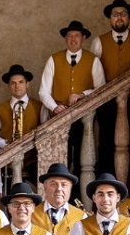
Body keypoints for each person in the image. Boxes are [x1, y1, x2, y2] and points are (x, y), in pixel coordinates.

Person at [38, 21, 106, 172]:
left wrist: (83, 94)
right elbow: (43, 91)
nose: (73, 39)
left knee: (82, 156)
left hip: (83, 116)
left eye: (77, 36)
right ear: (65, 39)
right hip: (59, 118)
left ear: (83, 39)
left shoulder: (93, 60)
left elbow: (101, 88)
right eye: (69, 36)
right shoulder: (53, 60)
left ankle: (78, 192)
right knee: (61, 157)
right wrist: (55, 107)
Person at [91, 0, 130, 170]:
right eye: (115, 14)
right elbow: (93, 71)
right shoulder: (99, 42)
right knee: (106, 138)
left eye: (123, 14)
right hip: (106, 101)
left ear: (129, 18)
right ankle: (106, 173)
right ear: (110, 18)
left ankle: (125, 172)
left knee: (128, 137)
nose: (119, 17)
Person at [33, 162, 87, 235]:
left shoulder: (81, 217)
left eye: (64, 185)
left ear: (70, 188)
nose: (59, 189)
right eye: (53, 184)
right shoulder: (31, 213)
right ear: (45, 187)